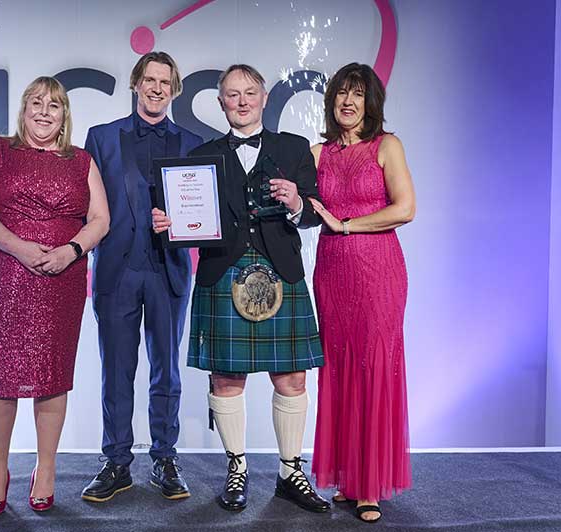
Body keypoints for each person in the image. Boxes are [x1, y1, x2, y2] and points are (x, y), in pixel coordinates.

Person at [153, 64, 328, 513]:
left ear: (265, 96)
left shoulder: (293, 149)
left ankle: (291, 472)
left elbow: (314, 212)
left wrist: (297, 204)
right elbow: (193, 220)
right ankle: (237, 469)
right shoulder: (202, 153)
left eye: (250, 92)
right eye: (233, 95)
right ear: (221, 103)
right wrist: (170, 225)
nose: (242, 101)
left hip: (280, 271)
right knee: (227, 379)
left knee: (291, 378)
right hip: (222, 272)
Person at [0, 76, 109, 517]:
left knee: (51, 374)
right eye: (36, 103)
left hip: (61, 280)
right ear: (23, 110)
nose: (45, 111)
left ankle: (46, 469)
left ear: (65, 116)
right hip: (4, 275)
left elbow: (100, 219)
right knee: (0, 377)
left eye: (55, 106)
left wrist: (71, 250)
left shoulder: (81, 161)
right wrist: (19, 247)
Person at [80, 51, 203, 503]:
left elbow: (201, 214)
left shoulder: (193, 143)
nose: (156, 88)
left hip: (169, 270)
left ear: (174, 89)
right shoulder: (101, 138)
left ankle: (165, 458)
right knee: (116, 370)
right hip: (117, 268)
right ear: (136, 84)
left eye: (164, 82)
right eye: (149, 80)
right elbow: (87, 206)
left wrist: (182, 222)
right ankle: (116, 462)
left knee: (167, 372)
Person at [309, 62, 416, 524]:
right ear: (331, 102)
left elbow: (406, 208)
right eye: (341, 95)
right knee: (338, 369)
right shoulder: (317, 152)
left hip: (377, 272)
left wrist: (347, 223)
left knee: (373, 368)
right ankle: (348, 480)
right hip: (332, 272)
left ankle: (369, 485)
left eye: (358, 94)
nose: (348, 102)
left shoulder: (386, 146)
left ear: (372, 103)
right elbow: (293, 205)